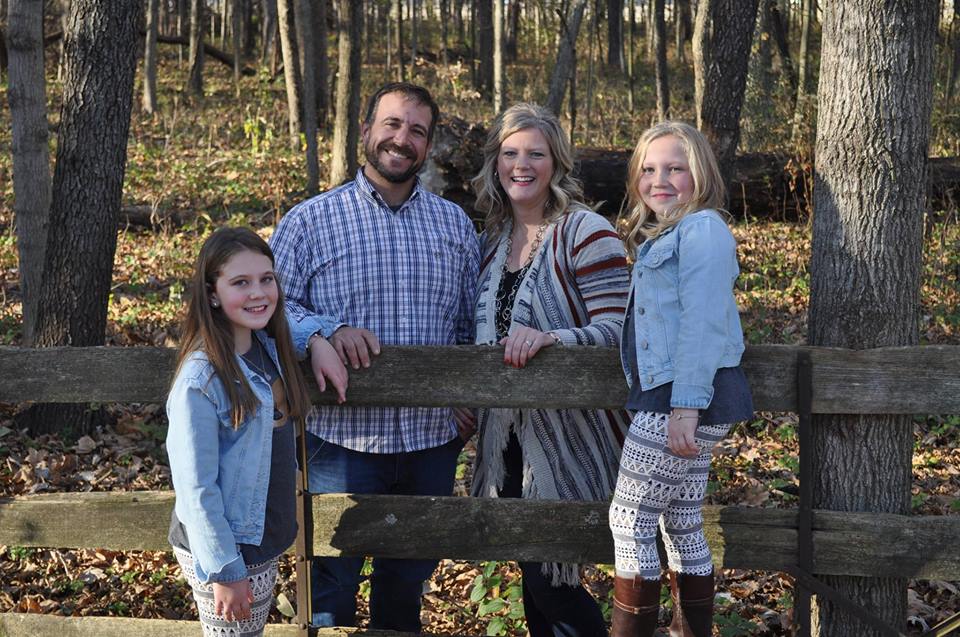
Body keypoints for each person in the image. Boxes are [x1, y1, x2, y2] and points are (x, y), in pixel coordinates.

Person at [269, 82, 480, 631]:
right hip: (341, 439)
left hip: (430, 441)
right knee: (331, 586)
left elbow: (466, 327)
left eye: (417, 131)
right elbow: (267, 308)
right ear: (365, 131)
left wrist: (467, 402)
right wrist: (322, 331)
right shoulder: (310, 220)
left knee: (406, 584)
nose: (402, 139)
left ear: (428, 145)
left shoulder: (455, 225)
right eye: (392, 124)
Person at [469, 102, 630, 637]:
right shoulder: (492, 243)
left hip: (571, 435)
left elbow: (621, 329)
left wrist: (553, 339)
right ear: (495, 163)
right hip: (508, 440)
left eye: (535, 154)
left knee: (551, 583)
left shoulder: (586, 231)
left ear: (556, 163)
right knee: (535, 585)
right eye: (510, 153)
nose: (522, 164)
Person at [608, 121, 754, 637]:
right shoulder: (666, 235)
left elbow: (703, 323)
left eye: (675, 168)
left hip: (683, 398)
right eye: (648, 169)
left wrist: (685, 407)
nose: (659, 180)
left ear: (700, 174)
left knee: (629, 520)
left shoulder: (702, 230)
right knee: (681, 518)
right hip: (677, 395)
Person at [166, 227, 340, 636]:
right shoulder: (201, 379)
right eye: (240, 283)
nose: (258, 293)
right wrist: (225, 569)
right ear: (212, 294)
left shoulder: (265, 345)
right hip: (229, 549)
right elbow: (195, 488)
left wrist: (319, 341)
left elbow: (291, 321)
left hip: (262, 538)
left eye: (267, 279)